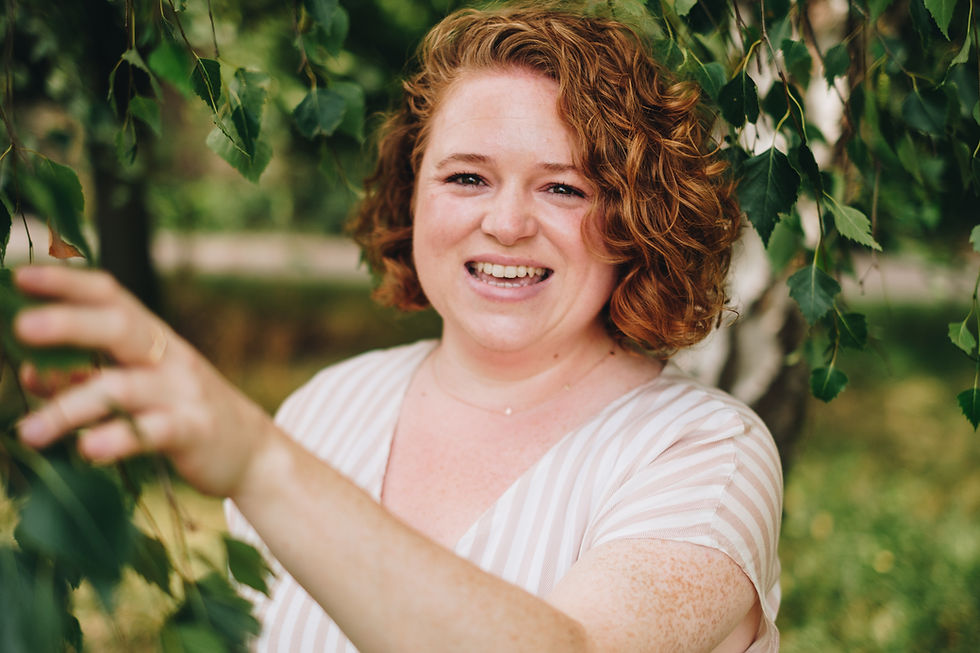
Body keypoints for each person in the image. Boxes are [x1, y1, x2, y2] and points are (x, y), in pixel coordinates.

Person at [12, 4, 782, 652]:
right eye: (467, 177)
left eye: (564, 187)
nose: (507, 222)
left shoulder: (706, 454)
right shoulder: (324, 407)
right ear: (411, 191)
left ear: (635, 219)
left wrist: (256, 461)